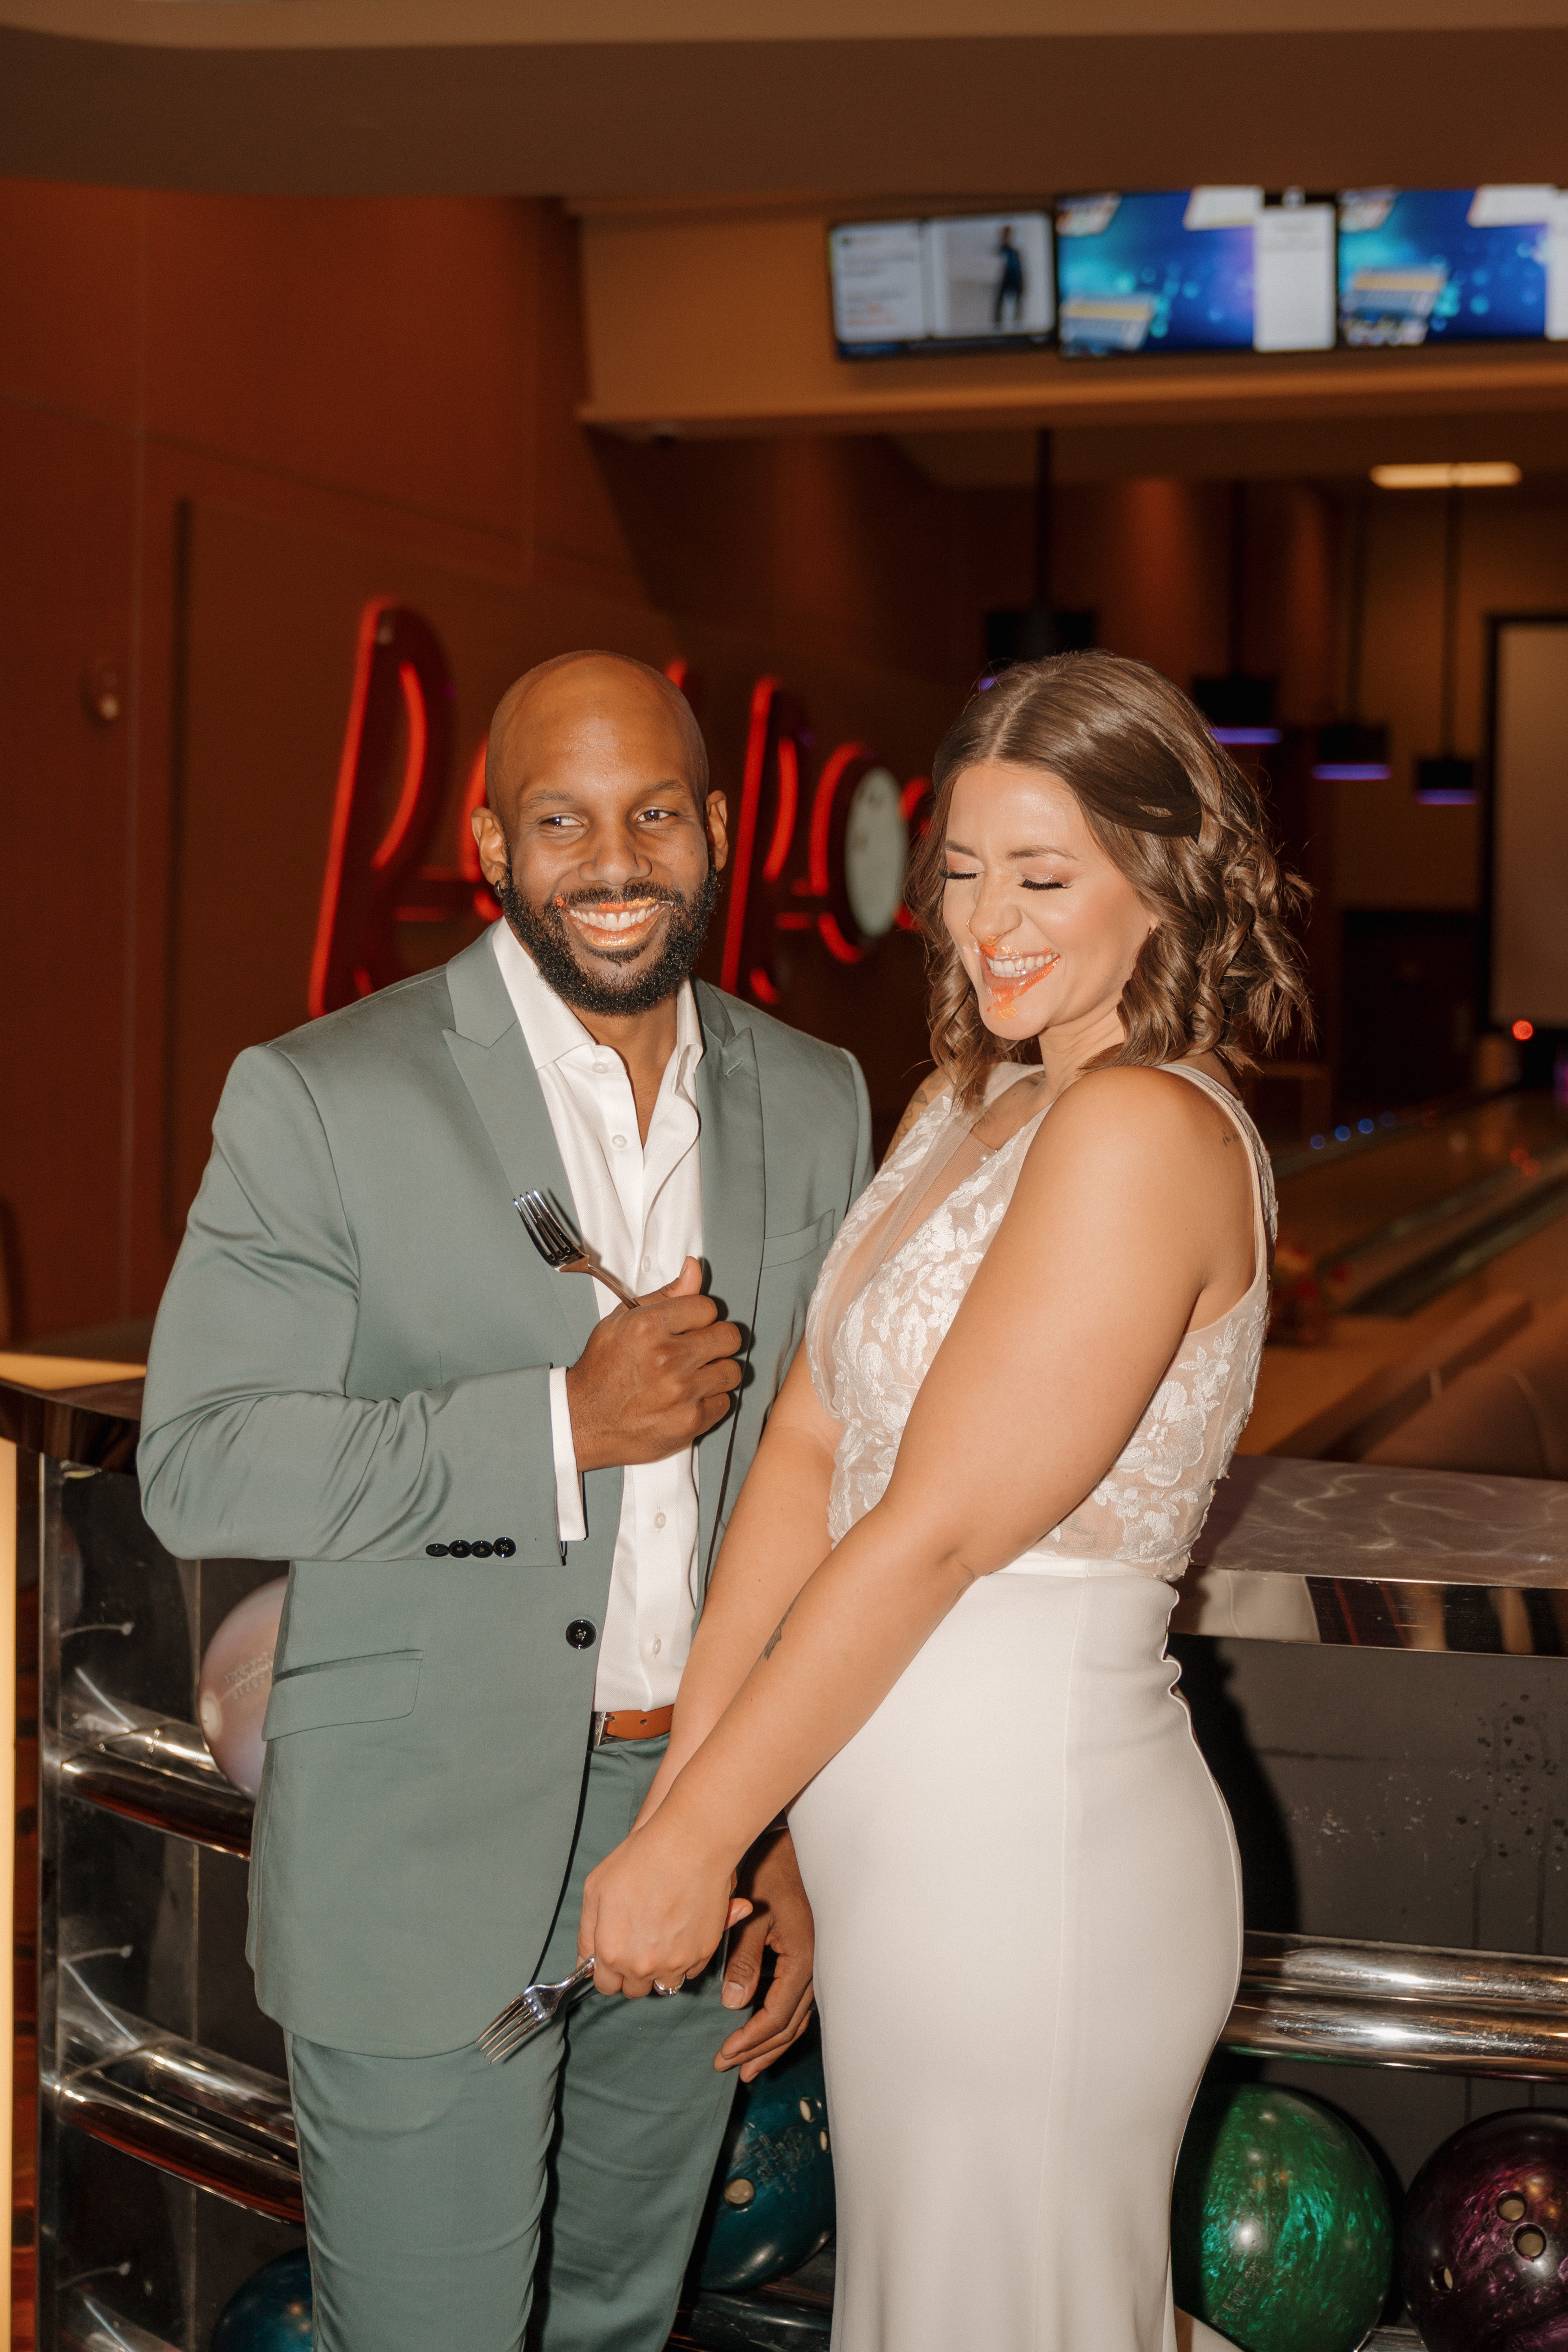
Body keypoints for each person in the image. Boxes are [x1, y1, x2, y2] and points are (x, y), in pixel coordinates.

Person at [137, 651, 873, 2352]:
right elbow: (202, 1457)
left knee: (621, 2318)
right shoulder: (325, 1092)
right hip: (421, 1843)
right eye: (562, 819)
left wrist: (776, 1821)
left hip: (698, 1814)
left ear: (719, 829)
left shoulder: (818, 1095)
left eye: (653, 812)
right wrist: (558, 1423)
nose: (614, 859)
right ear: (488, 843)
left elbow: (821, 1490)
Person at [578, 650, 1311, 2352]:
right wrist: (711, 1798)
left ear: (1164, 874)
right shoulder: (969, 1101)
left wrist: (698, 1834)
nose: (993, 923)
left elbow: (937, 1532)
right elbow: (813, 1460)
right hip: (919, 1858)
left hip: (1032, 1861)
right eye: (965, 872)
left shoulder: (1144, 1127)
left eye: (1044, 875)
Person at [993, 222, 1026, 326]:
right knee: (999, 303)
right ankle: (998, 325)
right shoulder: (999, 251)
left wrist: (1023, 282)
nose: (1007, 238)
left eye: (1008, 235)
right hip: (1003, 279)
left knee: (1018, 305)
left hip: (1015, 279)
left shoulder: (1016, 252)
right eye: (1005, 235)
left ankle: (1018, 325)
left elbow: (1021, 269)